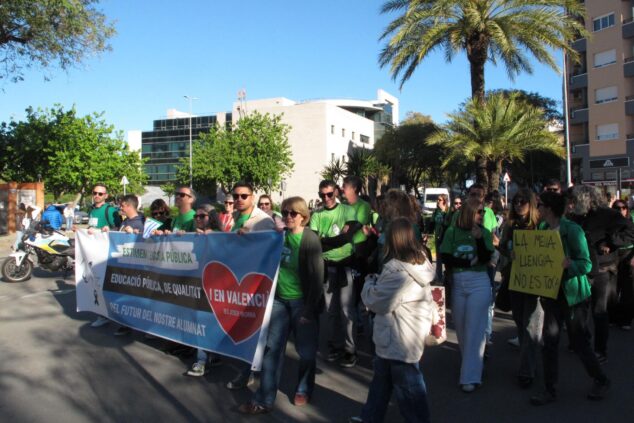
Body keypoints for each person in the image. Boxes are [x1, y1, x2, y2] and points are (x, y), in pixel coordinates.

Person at [239, 197, 324, 414]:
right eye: (284, 212)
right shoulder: (280, 236)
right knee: (272, 351)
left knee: (306, 352)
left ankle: (304, 388)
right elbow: (257, 248)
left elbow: (316, 278)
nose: (287, 217)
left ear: (303, 217)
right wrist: (243, 238)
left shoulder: (309, 239)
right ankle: (264, 399)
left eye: (293, 213)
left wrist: (308, 309)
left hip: (302, 302)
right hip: (278, 301)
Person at [351, 217, 435, 423]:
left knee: (410, 391)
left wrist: (369, 284)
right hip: (404, 333)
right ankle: (370, 417)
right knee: (381, 382)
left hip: (399, 337)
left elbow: (379, 302)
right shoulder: (420, 262)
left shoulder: (398, 271)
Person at [530, 191, 610, 405]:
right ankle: (549, 389)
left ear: (549, 208)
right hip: (551, 295)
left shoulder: (572, 231)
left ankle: (600, 379)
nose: (537, 209)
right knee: (549, 342)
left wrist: (570, 265)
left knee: (579, 342)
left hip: (573, 296)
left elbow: (587, 264)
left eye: (540, 206)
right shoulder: (543, 229)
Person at [567, 184, 634, 363]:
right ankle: (583, 341)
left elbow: (630, 232)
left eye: (575, 199)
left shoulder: (608, 214)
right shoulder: (575, 216)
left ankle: (600, 349)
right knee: (578, 309)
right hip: (581, 268)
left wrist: (611, 243)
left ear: (585, 198)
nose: (571, 204)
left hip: (602, 269)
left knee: (599, 310)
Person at [226, 181, 277, 390]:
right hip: (236, 280)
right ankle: (247, 370)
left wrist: (249, 240)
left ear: (252, 197)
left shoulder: (263, 220)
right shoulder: (235, 217)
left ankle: (251, 373)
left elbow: (267, 249)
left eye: (243, 196)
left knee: (254, 330)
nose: (239, 200)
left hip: (255, 283)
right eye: (236, 196)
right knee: (243, 329)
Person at [440, 198, 494, 392]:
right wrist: (467, 263)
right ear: (468, 212)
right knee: (462, 329)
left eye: (483, 212)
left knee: (474, 329)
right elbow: (446, 257)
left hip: (479, 283)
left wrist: (479, 238)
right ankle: (472, 363)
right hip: (458, 282)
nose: (481, 215)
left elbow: (487, 258)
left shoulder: (485, 233)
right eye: (479, 212)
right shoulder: (452, 232)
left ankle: (470, 376)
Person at [310, 180, 361, 368]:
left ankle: (350, 349)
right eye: (322, 195)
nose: (326, 198)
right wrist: (334, 240)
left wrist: (326, 240)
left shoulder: (348, 210)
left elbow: (348, 237)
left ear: (336, 192)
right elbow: (315, 242)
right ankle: (335, 345)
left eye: (329, 194)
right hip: (327, 267)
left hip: (345, 266)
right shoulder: (317, 215)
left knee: (347, 311)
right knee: (331, 311)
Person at [499, 189, 542, 388]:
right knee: (520, 323)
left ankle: (527, 371)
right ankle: (531, 360)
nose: (518, 204)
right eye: (516, 201)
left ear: (531, 203)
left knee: (531, 326)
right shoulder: (510, 225)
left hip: (535, 283)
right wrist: (507, 249)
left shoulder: (541, 225)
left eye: (523, 201)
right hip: (514, 280)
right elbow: (503, 246)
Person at [187, 204, 223, 377]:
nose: (199, 219)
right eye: (197, 217)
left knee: (205, 321)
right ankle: (208, 357)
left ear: (212, 217)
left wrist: (213, 237)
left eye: (203, 216)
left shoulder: (220, 236)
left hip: (214, 285)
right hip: (196, 283)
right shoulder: (193, 235)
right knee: (201, 321)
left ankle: (202, 360)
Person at [87, 183, 122, 328]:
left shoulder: (110, 210)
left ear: (106, 196)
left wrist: (110, 228)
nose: (97, 196)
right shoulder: (90, 210)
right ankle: (102, 314)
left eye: (100, 194)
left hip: (106, 253)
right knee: (96, 284)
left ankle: (111, 315)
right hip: (93, 252)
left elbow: (119, 228)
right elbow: (91, 228)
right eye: (95, 193)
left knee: (106, 286)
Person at [611, 199, 634, 330]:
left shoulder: (631, 223)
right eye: (617, 208)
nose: (620, 210)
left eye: (623, 208)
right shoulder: (609, 223)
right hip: (613, 256)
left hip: (628, 255)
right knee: (612, 289)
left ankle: (626, 319)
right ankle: (613, 317)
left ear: (627, 209)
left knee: (628, 290)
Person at [430, 193, 449, 282]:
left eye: (440, 200)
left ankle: (448, 276)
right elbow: (432, 223)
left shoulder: (447, 211)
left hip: (446, 238)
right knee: (438, 259)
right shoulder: (436, 211)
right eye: (437, 199)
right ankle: (439, 277)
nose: (438, 201)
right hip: (438, 237)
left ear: (444, 201)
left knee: (446, 258)